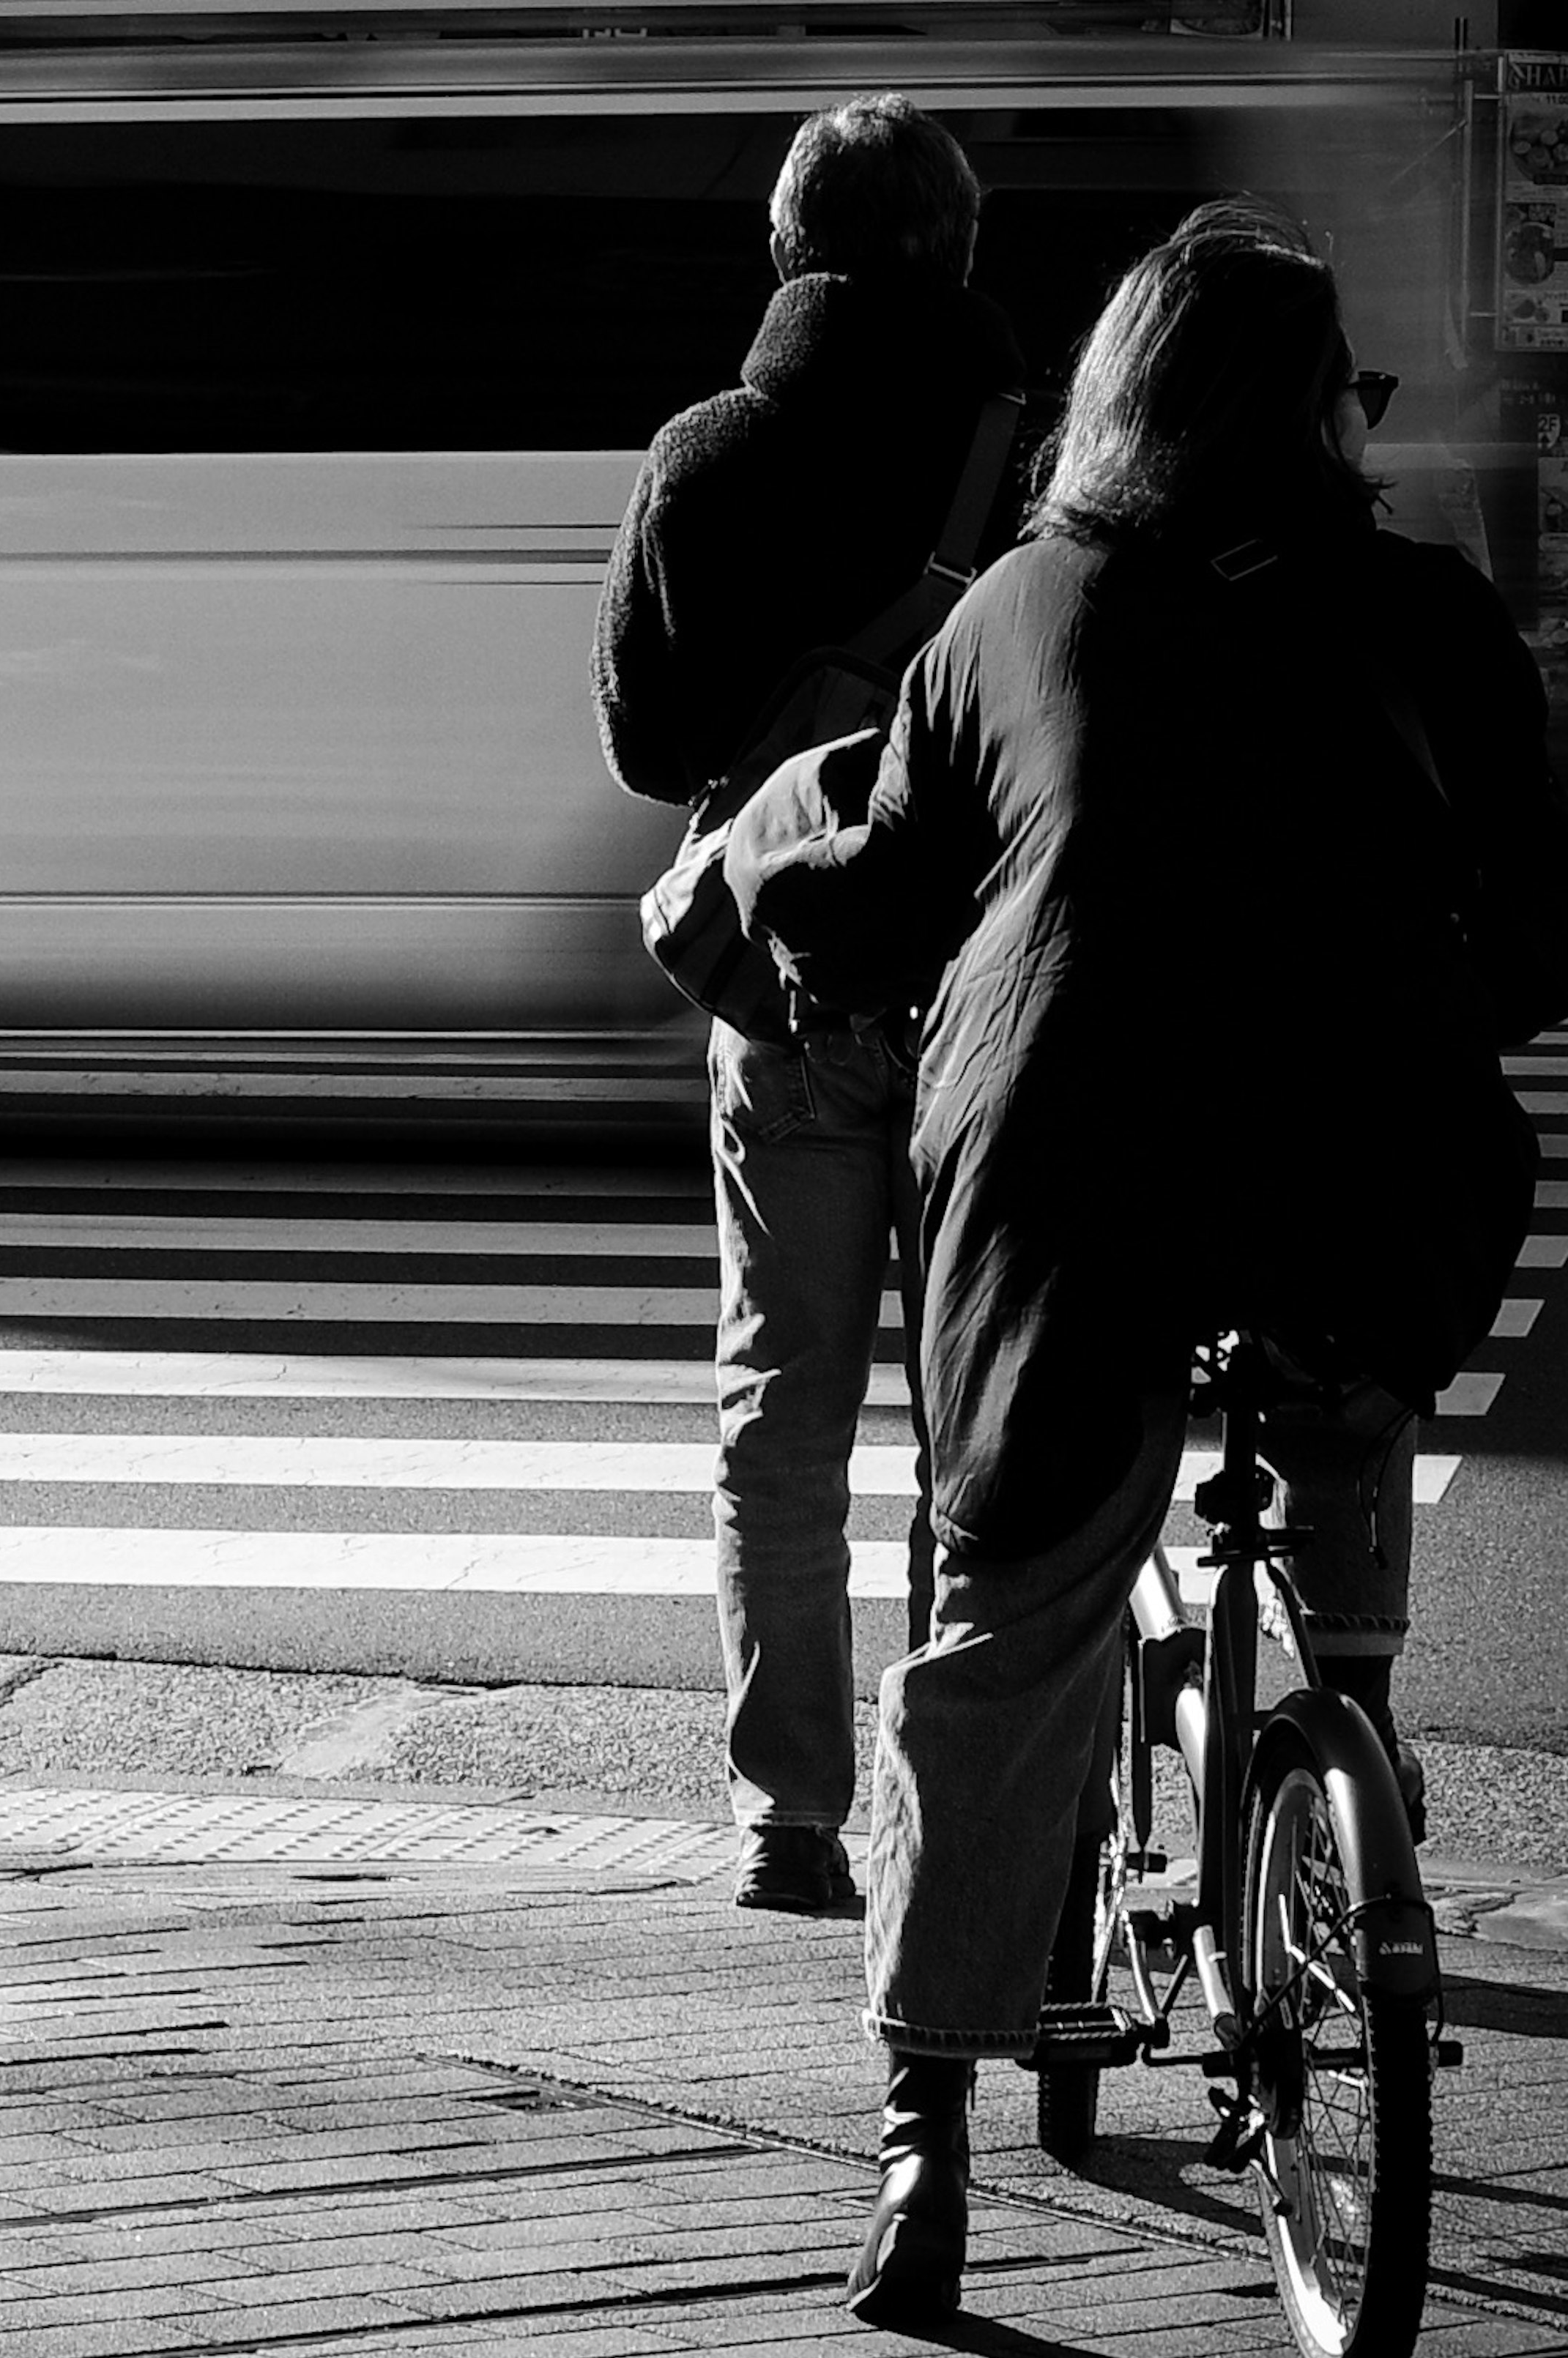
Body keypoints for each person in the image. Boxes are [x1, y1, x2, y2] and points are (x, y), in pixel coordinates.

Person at [730, 204, 1568, 2327]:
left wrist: (795, 925)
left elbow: (886, 892)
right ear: (1314, 418)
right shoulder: (1430, 614)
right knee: (1340, 1387)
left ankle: (926, 2144)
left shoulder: (1020, 608)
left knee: (1001, 1623)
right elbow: (1544, 913)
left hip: (1079, 1173)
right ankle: (1343, 1747)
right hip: (1372, 1169)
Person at [592, 94, 1026, 1917]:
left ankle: (793, 1816)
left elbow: (643, 745)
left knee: (783, 1405)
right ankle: (960, 1804)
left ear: (784, 247)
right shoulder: (1028, 458)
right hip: (982, 994)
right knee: (969, 1409)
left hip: (782, 980)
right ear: (957, 250)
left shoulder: (707, 459)